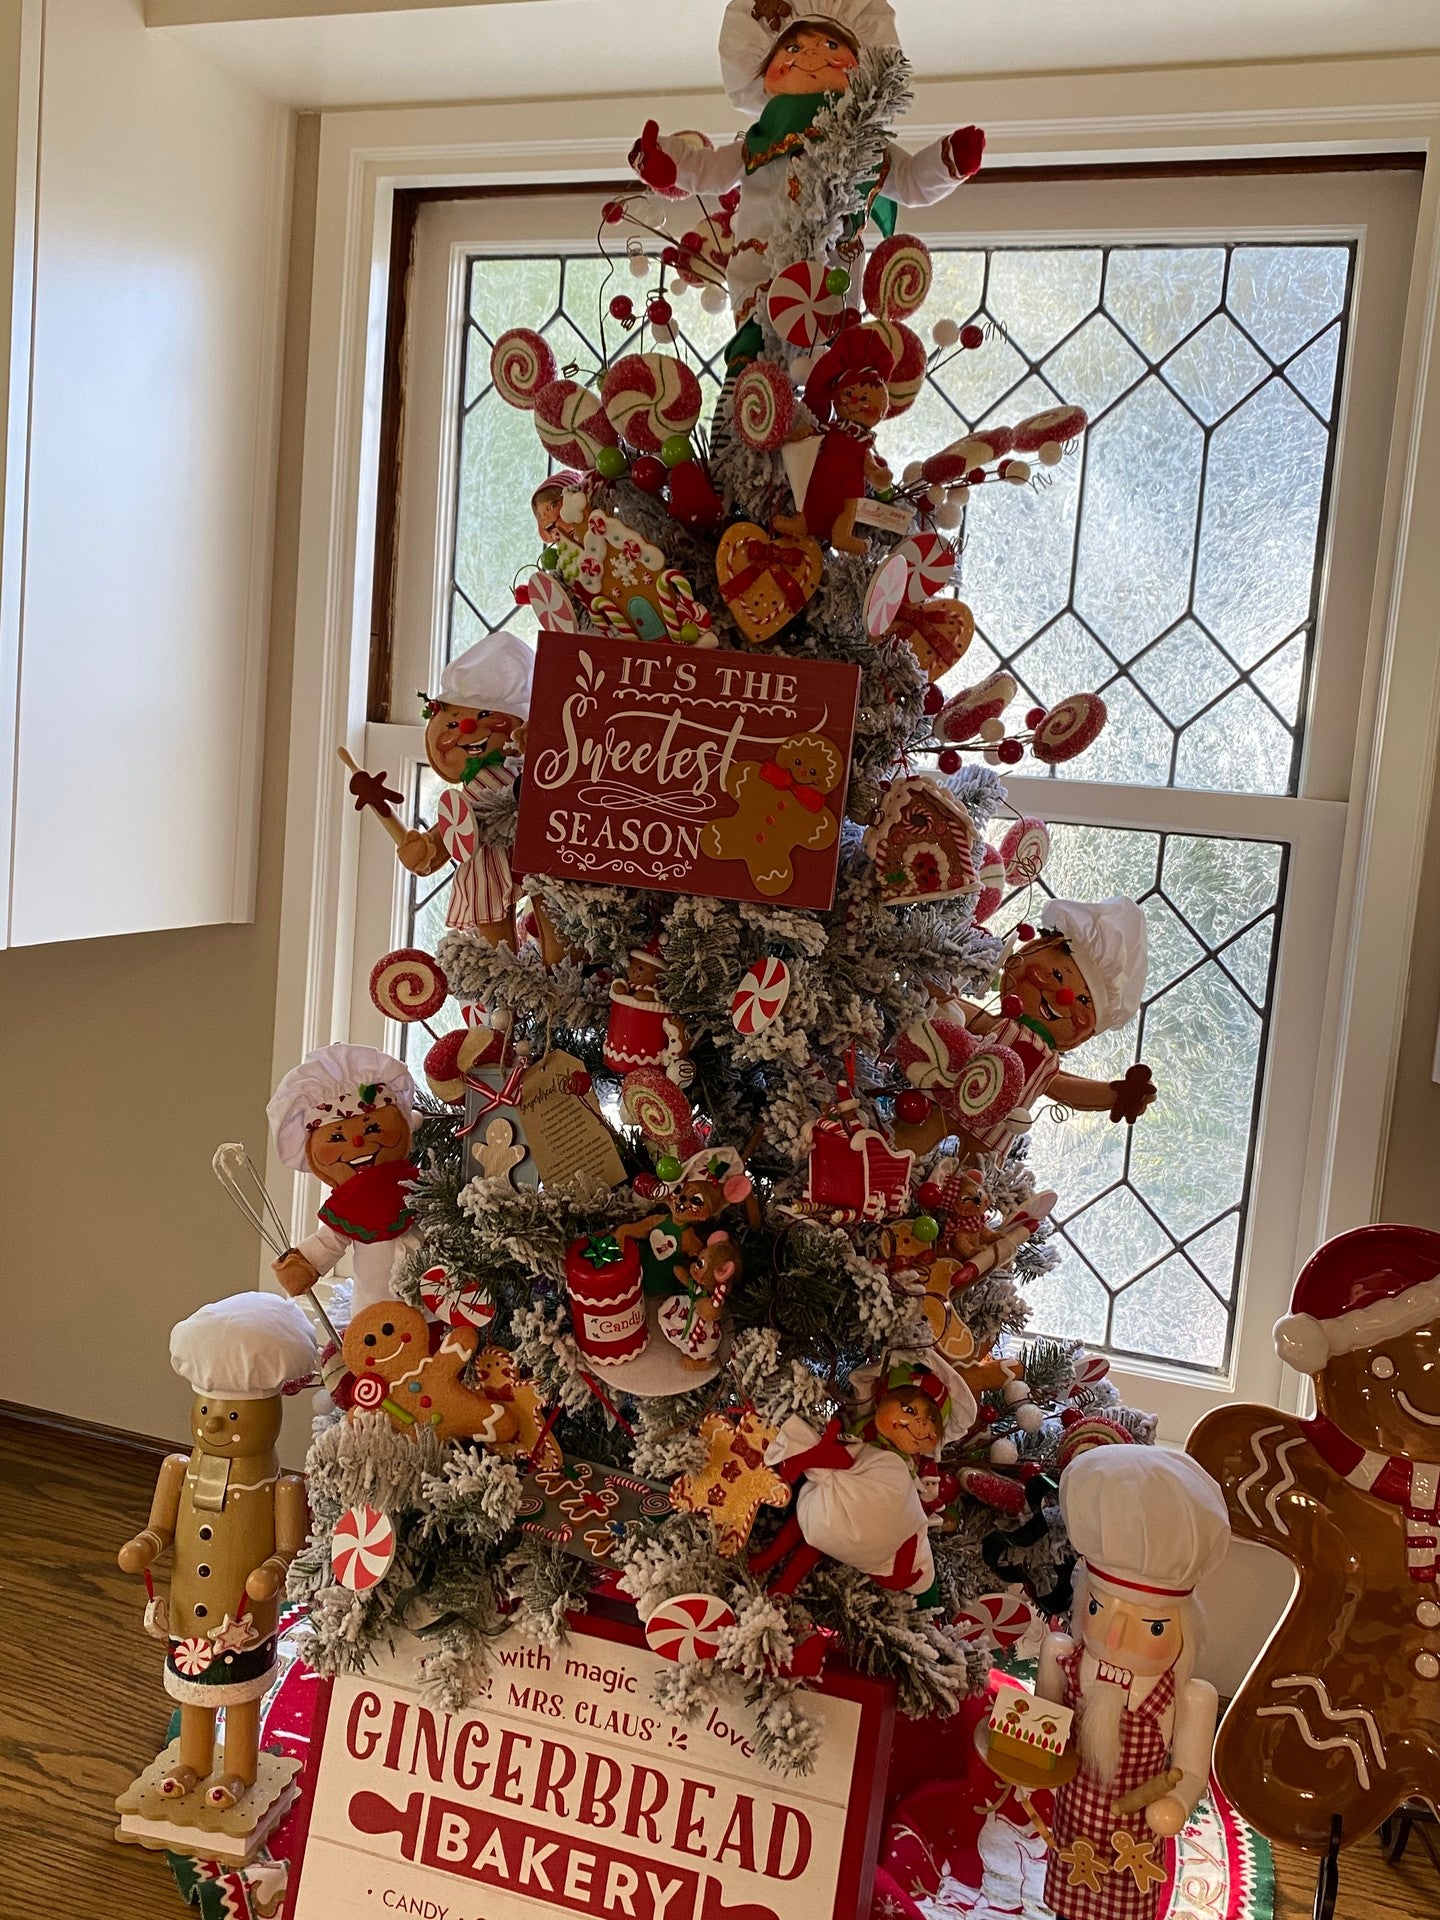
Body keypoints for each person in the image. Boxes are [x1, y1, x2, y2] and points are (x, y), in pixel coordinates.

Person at [1035, 1447, 1230, 1920]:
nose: (1115, 1637)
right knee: (1067, 1903)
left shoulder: (1186, 1697)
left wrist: (1177, 1802)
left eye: (1153, 1626)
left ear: (1182, 1628)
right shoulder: (1065, 1659)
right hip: (1073, 1826)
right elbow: (1042, 1722)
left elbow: (1190, 1770)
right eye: (1097, 1609)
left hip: (1134, 1841)